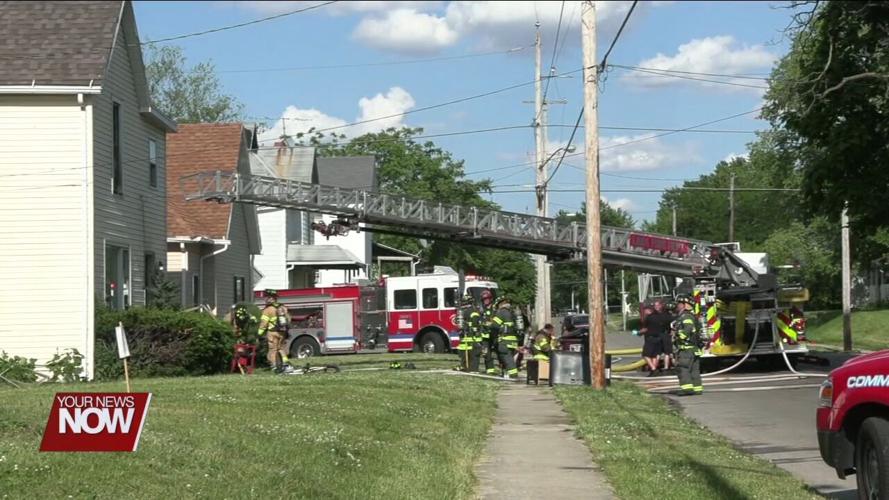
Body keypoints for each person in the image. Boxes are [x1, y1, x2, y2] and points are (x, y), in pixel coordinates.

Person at [673, 295, 703, 395]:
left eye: (679, 304)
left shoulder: (685, 316)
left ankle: (687, 389)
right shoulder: (691, 315)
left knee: (683, 369)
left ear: (685, 305)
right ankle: (697, 388)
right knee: (694, 370)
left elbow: (688, 327)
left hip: (686, 350)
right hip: (693, 349)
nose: (677, 305)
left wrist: (680, 336)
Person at [258, 289, 292, 374]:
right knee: (281, 348)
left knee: (273, 350)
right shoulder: (282, 307)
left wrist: (259, 333)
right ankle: (286, 364)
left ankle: (274, 366)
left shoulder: (267, 309)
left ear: (269, 298)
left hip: (272, 333)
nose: (265, 299)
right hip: (282, 332)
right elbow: (289, 319)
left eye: (266, 297)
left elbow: (263, 324)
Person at [637, 300, 674, 376]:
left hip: (651, 338)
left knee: (645, 355)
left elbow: (645, 329)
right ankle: (656, 370)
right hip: (660, 337)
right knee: (656, 355)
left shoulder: (650, 318)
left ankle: (653, 369)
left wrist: (638, 333)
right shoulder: (667, 316)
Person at [491, 296, 519, 379]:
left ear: (500, 304)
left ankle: (513, 375)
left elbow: (494, 326)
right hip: (513, 340)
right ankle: (510, 373)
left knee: (507, 357)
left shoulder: (501, 312)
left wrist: (488, 325)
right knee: (509, 357)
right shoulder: (512, 312)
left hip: (505, 340)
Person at [456, 294, 483, 372]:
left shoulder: (463, 312)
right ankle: (472, 369)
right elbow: (476, 325)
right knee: (473, 355)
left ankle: (465, 367)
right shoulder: (473, 312)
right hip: (472, 338)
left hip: (465, 337)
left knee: (465, 354)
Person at [480, 289, 499, 375]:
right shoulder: (481, 310)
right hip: (485, 336)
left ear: (490, 299)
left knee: (499, 352)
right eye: (484, 299)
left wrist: (491, 323)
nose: (485, 301)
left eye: (487, 299)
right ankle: (490, 370)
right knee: (486, 353)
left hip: (494, 335)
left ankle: (503, 369)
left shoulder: (495, 309)